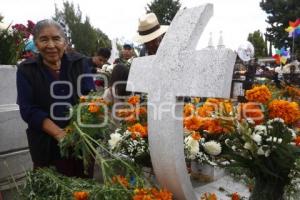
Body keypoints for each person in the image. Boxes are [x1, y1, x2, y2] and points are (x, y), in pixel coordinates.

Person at [16, 19, 95, 178]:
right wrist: (59, 134)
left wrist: (80, 131)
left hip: (81, 142)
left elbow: (90, 98)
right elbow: (28, 109)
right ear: (36, 44)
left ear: (64, 42)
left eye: (56, 39)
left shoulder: (79, 63)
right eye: (44, 39)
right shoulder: (27, 70)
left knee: (84, 187)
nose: (51, 45)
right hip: (46, 145)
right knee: (54, 189)